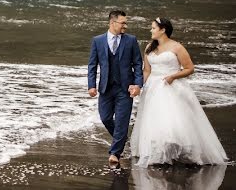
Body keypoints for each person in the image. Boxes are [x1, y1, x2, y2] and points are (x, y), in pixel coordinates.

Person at [130, 17, 227, 167]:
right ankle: (158, 152)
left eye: (153, 28)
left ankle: (180, 150)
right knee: (154, 120)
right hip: (153, 88)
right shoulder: (149, 47)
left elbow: (190, 68)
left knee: (174, 120)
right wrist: (138, 86)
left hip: (172, 87)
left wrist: (173, 76)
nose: (151, 30)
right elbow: (147, 70)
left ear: (163, 30)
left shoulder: (177, 47)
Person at [88, 10, 143, 165]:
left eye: (126, 23)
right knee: (105, 118)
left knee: (121, 121)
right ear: (112, 23)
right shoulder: (98, 41)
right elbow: (92, 65)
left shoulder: (131, 40)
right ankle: (122, 138)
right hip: (105, 87)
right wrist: (91, 85)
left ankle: (115, 153)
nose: (125, 25)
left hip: (125, 88)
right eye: (123, 23)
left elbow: (138, 64)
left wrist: (138, 84)